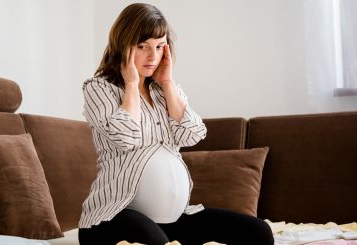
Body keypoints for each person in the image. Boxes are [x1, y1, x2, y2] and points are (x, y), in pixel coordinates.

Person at [78, 3, 274, 245]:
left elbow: (193, 134)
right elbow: (125, 137)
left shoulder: (164, 91)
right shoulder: (100, 88)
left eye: (159, 47)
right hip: (112, 216)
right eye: (143, 47)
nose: (153, 56)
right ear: (123, 45)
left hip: (173, 219)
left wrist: (168, 83)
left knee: (259, 232)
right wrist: (131, 84)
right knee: (155, 241)